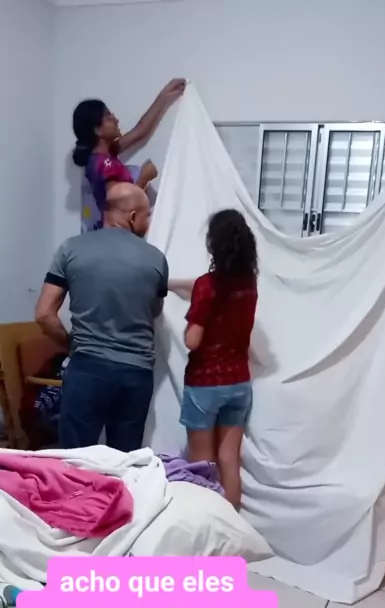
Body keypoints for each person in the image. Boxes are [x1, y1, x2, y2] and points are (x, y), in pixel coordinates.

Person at [35, 183, 168, 452]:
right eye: (147, 215)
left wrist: (73, 345)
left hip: (87, 368)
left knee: (76, 460)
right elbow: (153, 311)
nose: (149, 222)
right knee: (125, 462)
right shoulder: (156, 259)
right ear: (133, 216)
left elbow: (44, 314)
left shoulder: (71, 249)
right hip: (136, 373)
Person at [181, 209, 258, 509]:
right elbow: (211, 289)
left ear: (214, 244)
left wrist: (188, 322)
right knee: (229, 461)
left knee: (202, 466)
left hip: (205, 384)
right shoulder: (248, 284)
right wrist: (175, 284)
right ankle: (232, 527)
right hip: (239, 383)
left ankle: (205, 531)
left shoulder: (207, 286)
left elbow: (192, 340)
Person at [72, 79, 185, 228]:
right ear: (98, 130)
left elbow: (139, 132)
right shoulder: (103, 165)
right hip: (117, 235)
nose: (116, 120)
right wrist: (145, 177)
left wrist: (164, 96)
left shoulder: (106, 154)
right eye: (109, 118)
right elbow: (123, 209)